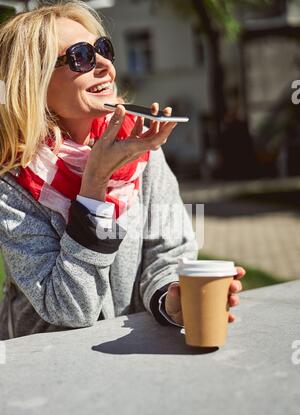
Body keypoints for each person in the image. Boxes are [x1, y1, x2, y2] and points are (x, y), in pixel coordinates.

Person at [0, 1, 245, 339]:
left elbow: (168, 251)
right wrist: (94, 187)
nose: (104, 64)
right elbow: (69, 309)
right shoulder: (12, 183)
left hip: (128, 361)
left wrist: (172, 299)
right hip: (46, 370)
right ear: (34, 83)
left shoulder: (140, 149)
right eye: (81, 57)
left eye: (103, 49)